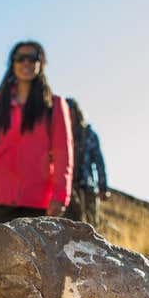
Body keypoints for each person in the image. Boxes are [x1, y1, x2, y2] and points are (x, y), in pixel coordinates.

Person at [0, 40, 73, 228]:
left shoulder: (55, 106)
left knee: (33, 257)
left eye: (32, 58)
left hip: (37, 200)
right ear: (13, 64)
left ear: (41, 63)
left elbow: (63, 155)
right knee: (0, 256)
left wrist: (60, 196)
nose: (25, 63)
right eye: (20, 58)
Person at [64, 98, 110, 228]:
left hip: (88, 188)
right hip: (68, 189)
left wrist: (103, 187)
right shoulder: (61, 135)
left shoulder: (89, 135)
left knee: (91, 226)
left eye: (71, 112)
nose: (69, 115)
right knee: (70, 225)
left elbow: (99, 162)